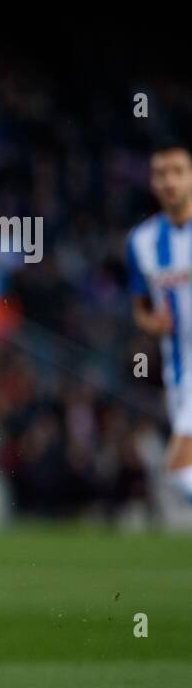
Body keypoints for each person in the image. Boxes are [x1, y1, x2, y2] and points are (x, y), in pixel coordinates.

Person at [128, 143, 192, 508]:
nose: (170, 181)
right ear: (152, 182)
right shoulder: (142, 242)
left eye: (178, 171)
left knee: (179, 468)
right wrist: (153, 323)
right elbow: (140, 310)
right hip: (178, 373)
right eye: (161, 173)